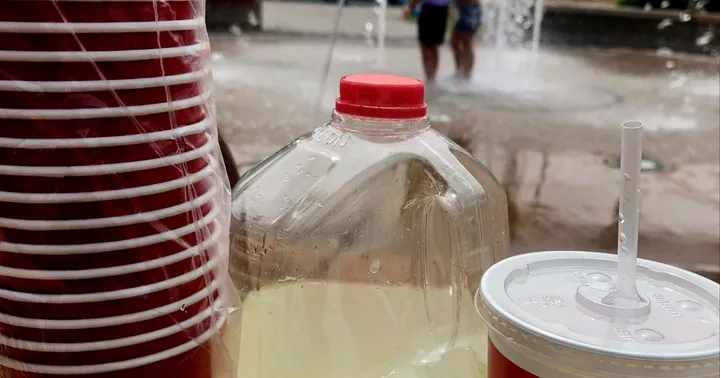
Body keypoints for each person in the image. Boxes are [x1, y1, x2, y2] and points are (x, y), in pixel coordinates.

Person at [403, 0, 451, 86]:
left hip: (431, 8)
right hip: (443, 7)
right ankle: (432, 77)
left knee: (426, 44)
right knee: (433, 45)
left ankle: (430, 77)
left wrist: (410, 6)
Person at [451, 0, 482, 80]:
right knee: (456, 41)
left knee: (467, 42)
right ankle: (461, 71)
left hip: (470, 8)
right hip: (466, 9)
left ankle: (466, 74)